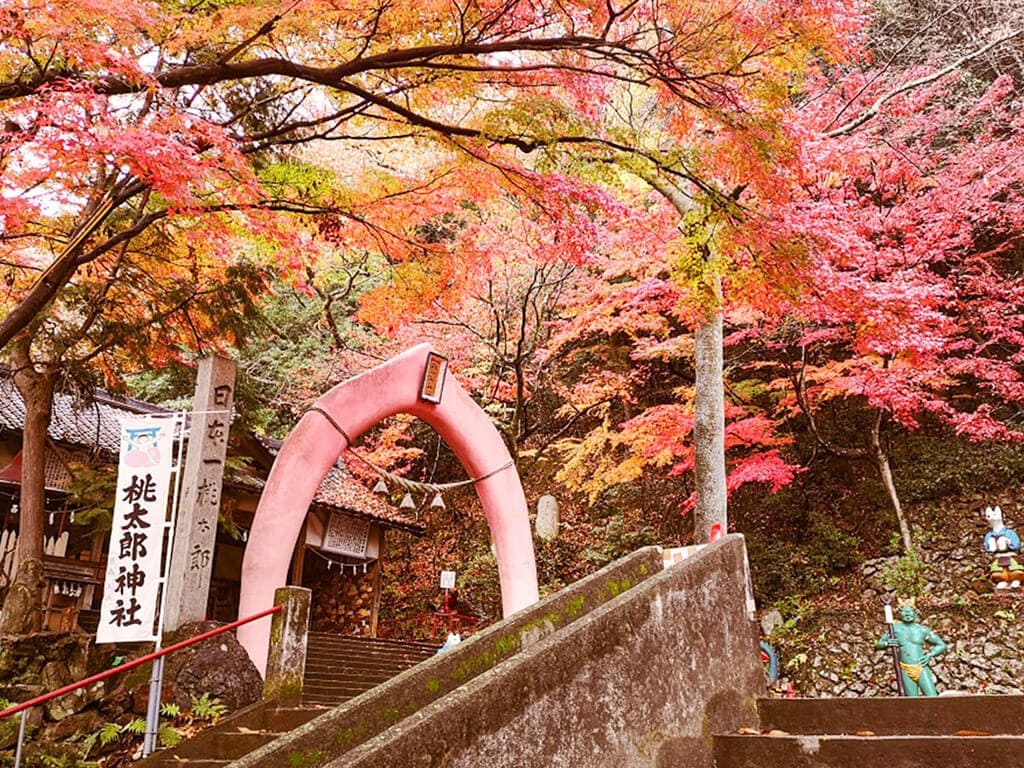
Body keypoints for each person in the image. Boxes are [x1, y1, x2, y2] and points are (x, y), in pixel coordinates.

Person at [876, 604, 947, 696]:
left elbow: (941, 645)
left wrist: (930, 655)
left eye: (910, 612)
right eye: (905, 612)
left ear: (915, 613)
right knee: (912, 700)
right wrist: (887, 643)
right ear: (900, 614)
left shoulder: (922, 630)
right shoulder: (895, 629)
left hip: (921, 667)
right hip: (905, 668)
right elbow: (878, 644)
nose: (907, 615)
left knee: (932, 696)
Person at [984, 505, 1024, 588]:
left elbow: (1016, 544)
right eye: (988, 516)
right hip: (998, 557)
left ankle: (1015, 580)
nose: (991, 518)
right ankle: (1002, 581)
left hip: (1010, 555)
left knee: (1015, 569)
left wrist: (1008, 542)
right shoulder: (989, 535)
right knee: (997, 571)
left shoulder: (1009, 532)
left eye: (994, 515)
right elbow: (987, 547)